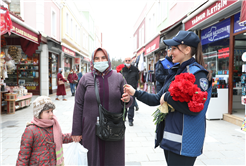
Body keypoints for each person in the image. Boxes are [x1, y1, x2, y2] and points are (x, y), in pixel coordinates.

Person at [124, 30, 212, 166]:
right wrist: (134, 92)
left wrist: (167, 97)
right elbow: (156, 99)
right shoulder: (177, 71)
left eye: (174, 48)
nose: (170, 52)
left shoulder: (198, 75)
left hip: (185, 143)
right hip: (171, 139)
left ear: (187, 50)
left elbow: (195, 109)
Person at [71, 47, 133, 166]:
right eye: (97, 58)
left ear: (108, 59)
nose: (100, 61)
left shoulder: (119, 78)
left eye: (103, 58)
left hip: (113, 128)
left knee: (113, 159)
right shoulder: (85, 79)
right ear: (93, 61)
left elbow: (129, 100)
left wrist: (128, 99)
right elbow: (78, 105)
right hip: (90, 129)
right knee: (92, 159)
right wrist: (76, 131)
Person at [16, 96, 73, 165]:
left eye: (52, 111)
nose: (51, 114)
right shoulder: (30, 130)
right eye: (47, 112)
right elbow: (23, 155)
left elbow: (61, 137)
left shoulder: (53, 126)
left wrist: (74, 136)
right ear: (38, 113)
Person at [122, 57, 139, 126]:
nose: (128, 62)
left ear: (131, 61)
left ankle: (131, 120)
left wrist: (135, 88)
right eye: (126, 60)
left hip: (132, 90)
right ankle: (123, 118)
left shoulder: (135, 69)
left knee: (131, 105)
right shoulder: (122, 70)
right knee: (124, 105)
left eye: (129, 60)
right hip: (124, 90)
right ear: (124, 61)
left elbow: (137, 79)